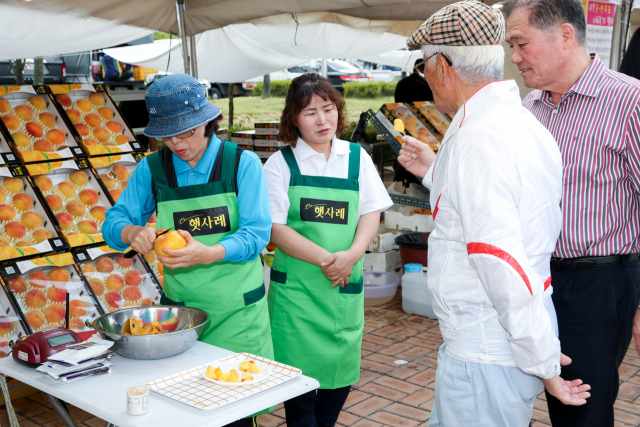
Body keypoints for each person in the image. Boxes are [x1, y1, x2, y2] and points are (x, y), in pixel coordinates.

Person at [398, 2, 590, 426]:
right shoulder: (519, 124)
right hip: (500, 345)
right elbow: (499, 215)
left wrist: (542, 359)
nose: (425, 78)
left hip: (486, 351)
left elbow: (499, 258)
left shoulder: (480, 137)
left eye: (423, 66)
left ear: (443, 66)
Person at [102, 74, 273, 427]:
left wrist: (209, 253)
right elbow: (112, 223)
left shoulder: (242, 164)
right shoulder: (152, 169)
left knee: (236, 411)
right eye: (167, 135)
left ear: (208, 122)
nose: (177, 143)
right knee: (183, 410)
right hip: (180, 319)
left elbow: (257, 233)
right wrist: (131, 230)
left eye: (187, 132)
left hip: (236, 315)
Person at [504, 1, 640, 425]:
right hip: (538, 276)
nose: (514, 57)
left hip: (600, 283)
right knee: (540, 389)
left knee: (583, 407)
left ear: (565, 35)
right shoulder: (530, 109)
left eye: (521, 43)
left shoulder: (628, 102)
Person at [263, 73, 392, 427]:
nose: (322, 120)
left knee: (339, 378)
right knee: (299, 398)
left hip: (342, 286)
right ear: (293, 118)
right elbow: (276, 226)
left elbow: (371, 210)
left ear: (339, 109)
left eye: (328, 108)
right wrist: (326, 260)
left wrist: (351, 255)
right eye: (310, 113)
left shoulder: (356, 158)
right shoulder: (280, 164)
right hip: (298, 295)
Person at [393, 59, 434, 187]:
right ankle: (413, 181)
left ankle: (400, 179)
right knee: (416, 153)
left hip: (402, 123)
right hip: (422, 127)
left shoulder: (402, 83)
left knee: (404, 152)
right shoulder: (425, 86)